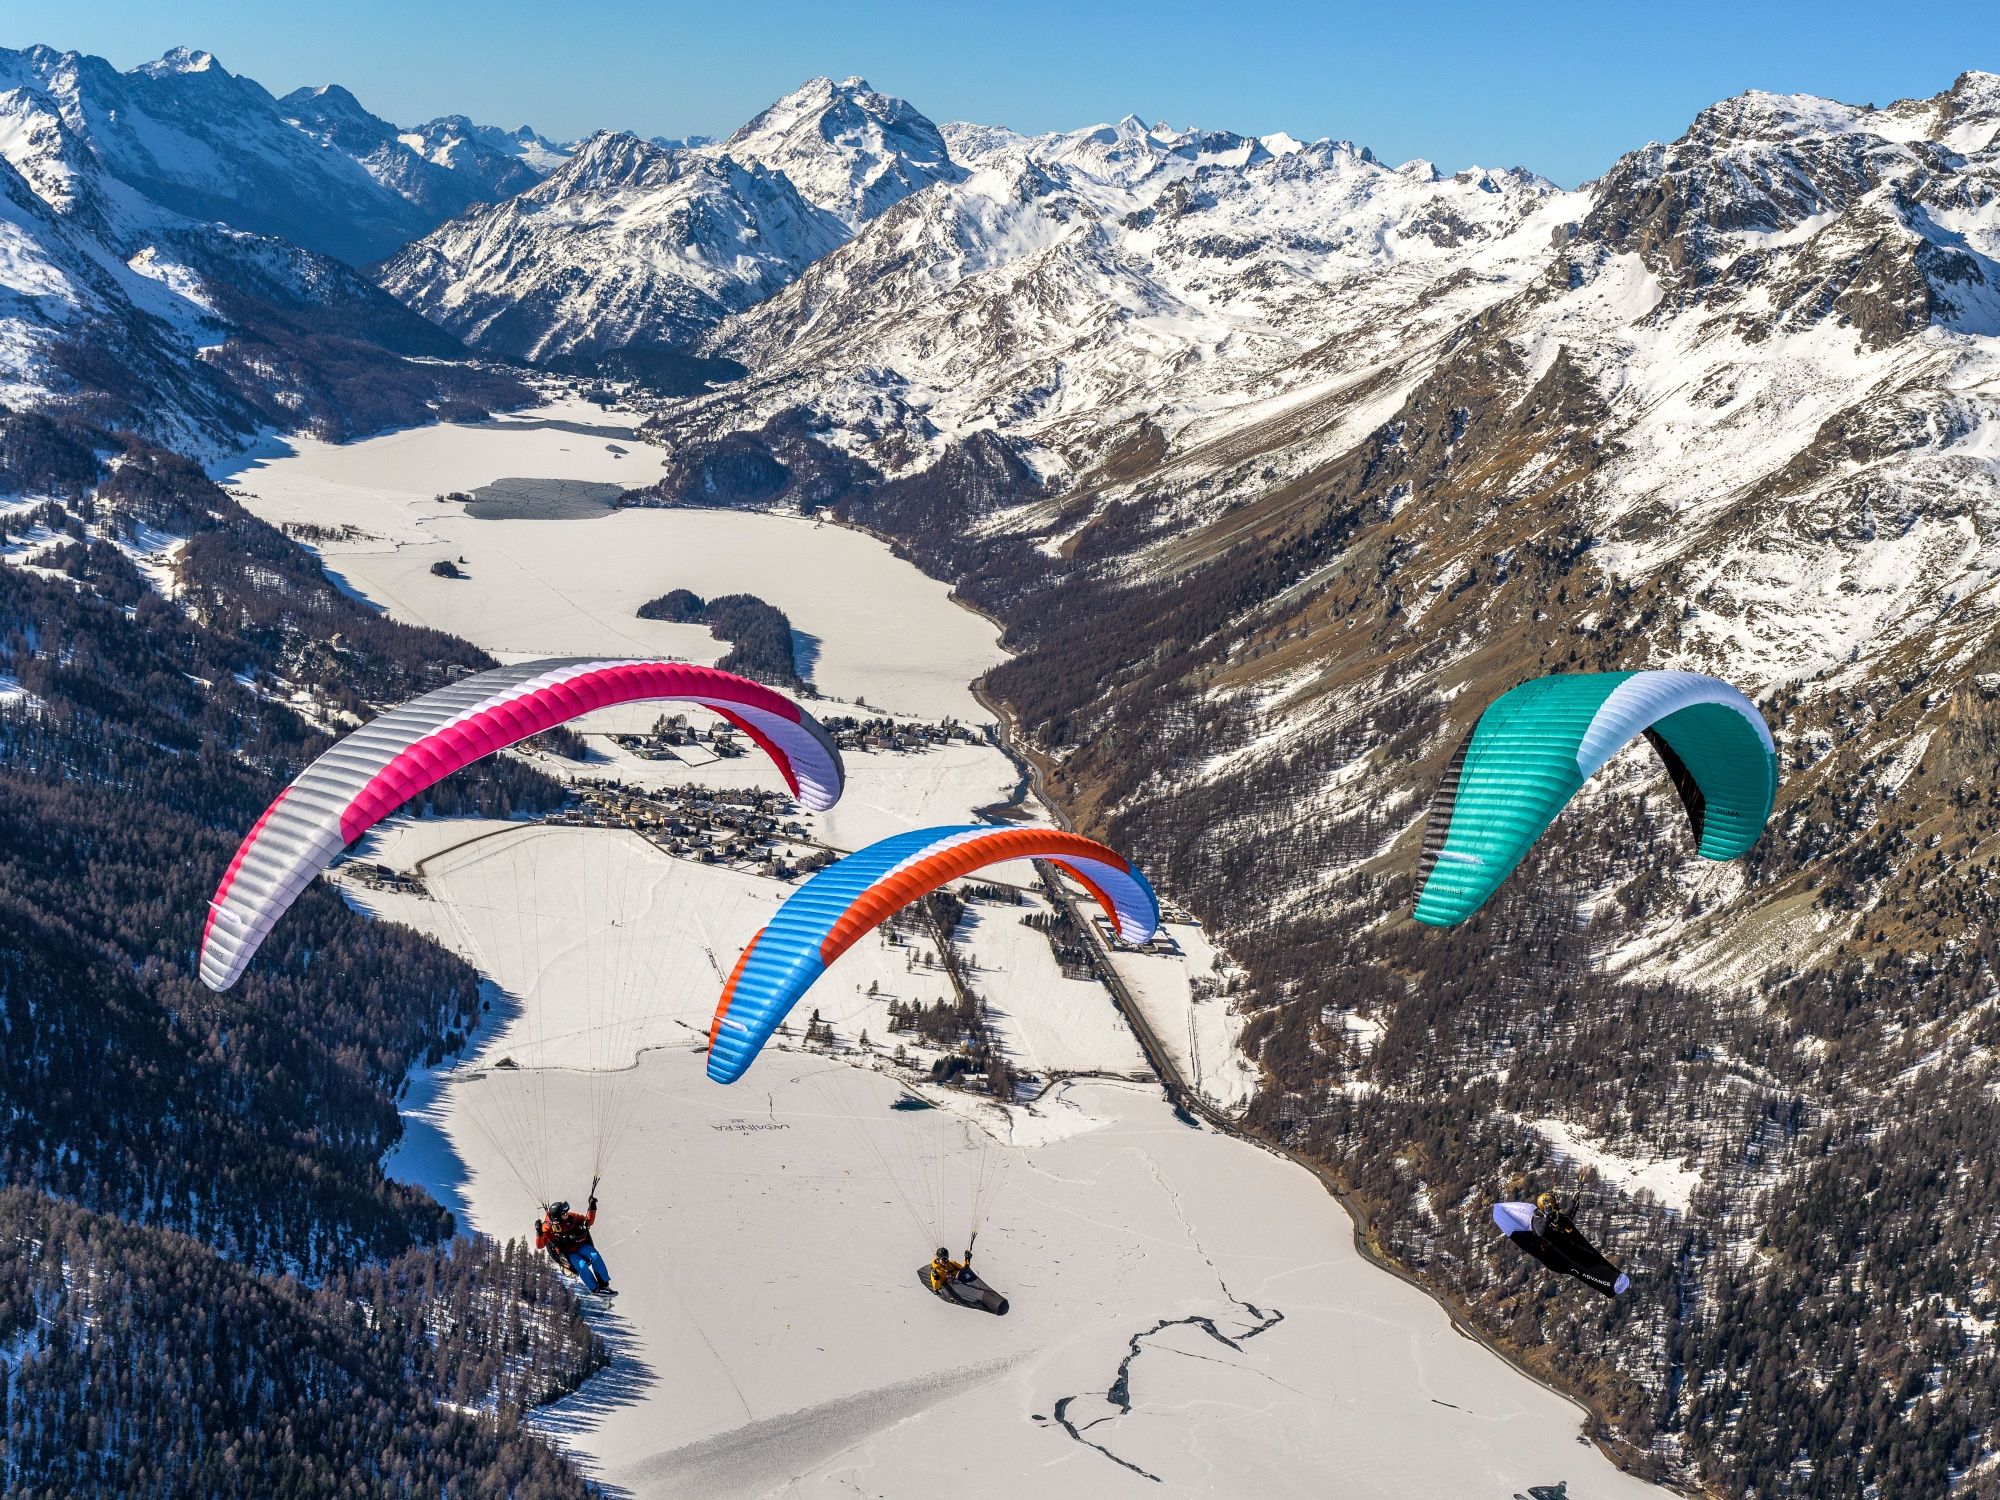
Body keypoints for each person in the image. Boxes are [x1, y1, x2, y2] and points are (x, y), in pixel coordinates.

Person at [537, 1196, 612, 1294]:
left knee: (595, 1255)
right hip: (568, 1253)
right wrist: (539, 1232)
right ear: (557, 1217)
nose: (567, 1214)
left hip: (580, 1245)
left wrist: (592, 1206)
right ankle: (595, 1289)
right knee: (582, 1266)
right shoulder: (547, 1227)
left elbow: (588, 1221)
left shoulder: (571, 1217)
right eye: (564, 1213)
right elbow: (540, 1245)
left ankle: (604, 1285)